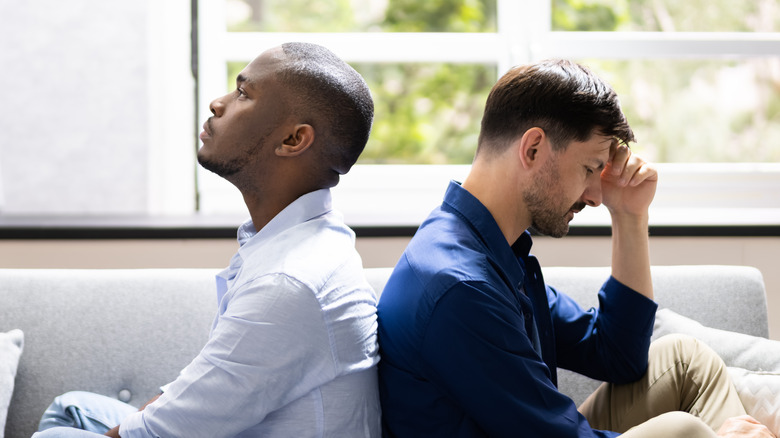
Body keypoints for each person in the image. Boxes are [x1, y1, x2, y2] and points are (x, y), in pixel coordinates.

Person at [376, 59, 775, 438]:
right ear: (533, 149)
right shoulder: (460, 288)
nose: (596, 195)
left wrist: (629, 216)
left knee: (685, 361)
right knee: (685, 431)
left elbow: (618, 354)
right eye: (589, 168)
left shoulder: (492, 251)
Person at [33, 42, 380, 437]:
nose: (218, 103)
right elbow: (193, 397)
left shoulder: (289, 284)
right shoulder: (293, 241)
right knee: (73, 409)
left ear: (292, 140)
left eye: (243, 94)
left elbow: (157, 433)